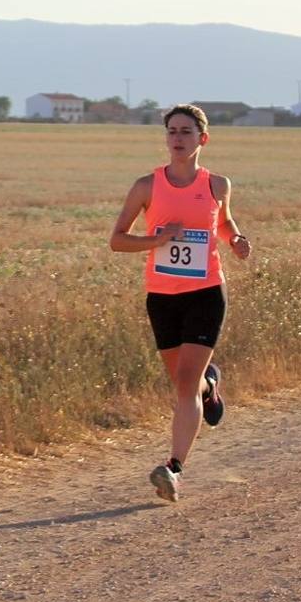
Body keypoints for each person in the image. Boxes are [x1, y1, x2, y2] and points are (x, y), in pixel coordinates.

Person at [109, 103, 251, 502]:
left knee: (183, 385)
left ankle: (173, 469)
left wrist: (236, 241)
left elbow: (222, 223)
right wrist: (156, 240)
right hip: (162, 297)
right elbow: (117, 239)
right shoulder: (146, 186)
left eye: (186, 132)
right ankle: (211, 384)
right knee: (185, 383)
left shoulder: (217, 185)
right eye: (172, 131)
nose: (177, 138)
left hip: (206, 293)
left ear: (202, 139)